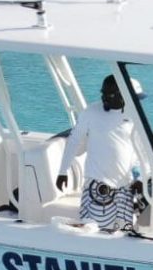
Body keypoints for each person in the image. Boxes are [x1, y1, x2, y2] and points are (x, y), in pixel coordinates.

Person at [55, 74, 146, 232]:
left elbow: (141, 150)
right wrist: (63, 171)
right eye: (103, 93)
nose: (104, 98)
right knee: (94, 230)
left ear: (123, 95)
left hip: (125, 185)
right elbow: (74, 140)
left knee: (124, 231)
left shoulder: (135, 115)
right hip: (97, 183)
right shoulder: (91, 112)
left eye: (108, 94)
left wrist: (142, 178)